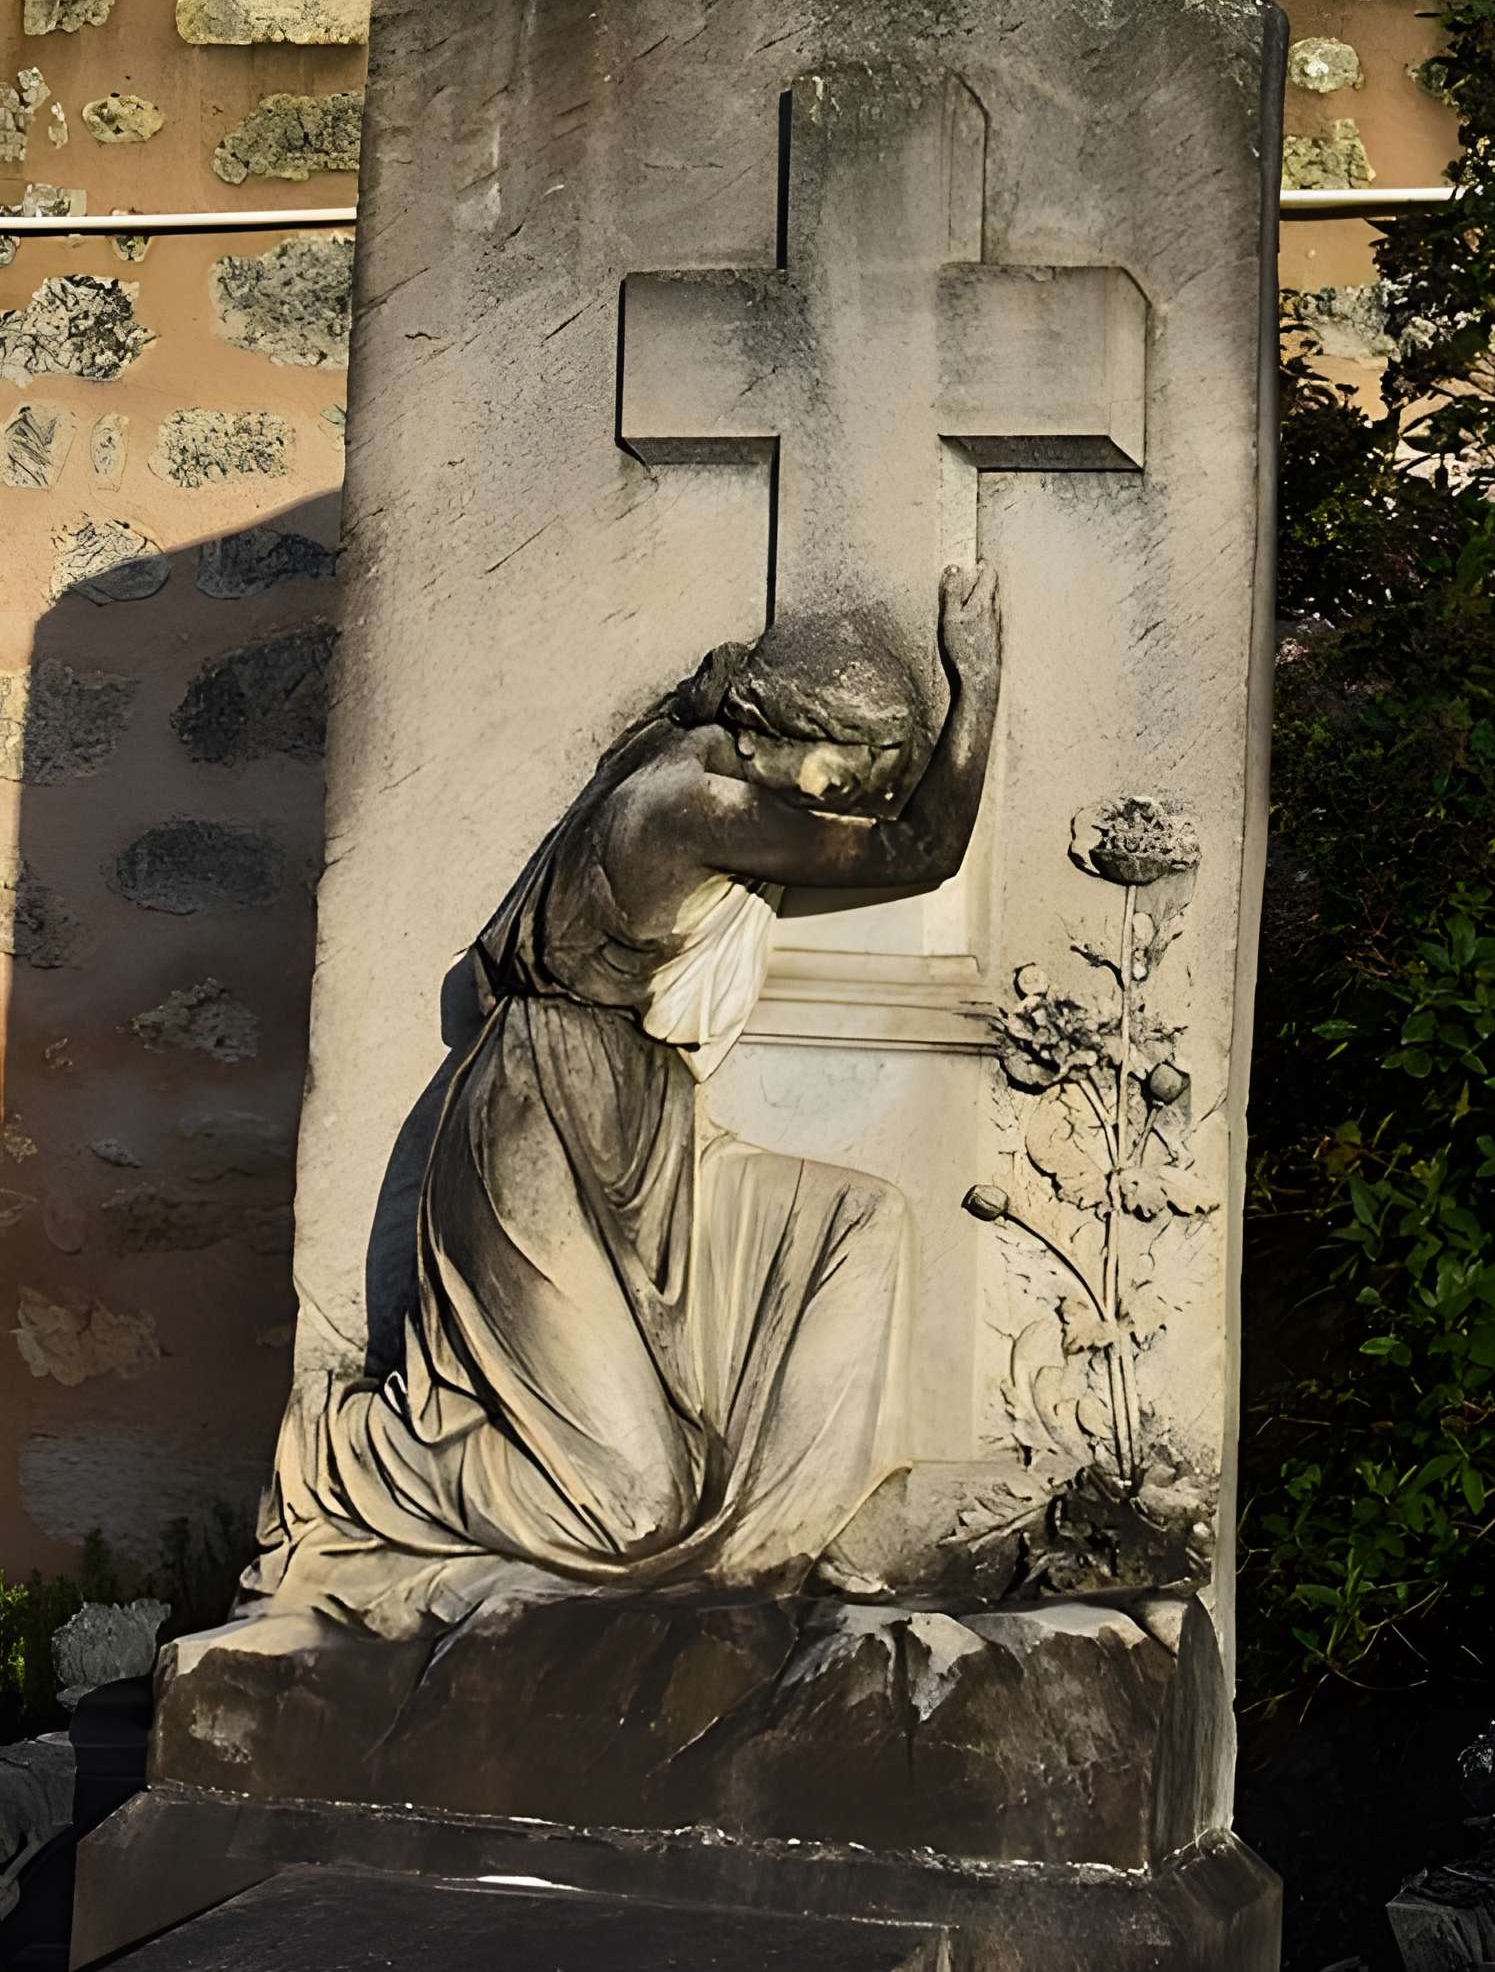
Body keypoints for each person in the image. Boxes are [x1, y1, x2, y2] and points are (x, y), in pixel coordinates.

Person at [243, 563, 1001, 1636]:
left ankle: (762, 1554)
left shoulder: (692, 758)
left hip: (644, 1118)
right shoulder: (687, 800)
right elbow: (920, 852)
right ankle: (352, 1461)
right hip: (538, 1125)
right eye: (859, 772)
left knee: (859, 1221)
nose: (847, 801)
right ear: (791, 723)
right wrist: (979, 686)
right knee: (627, 1502)